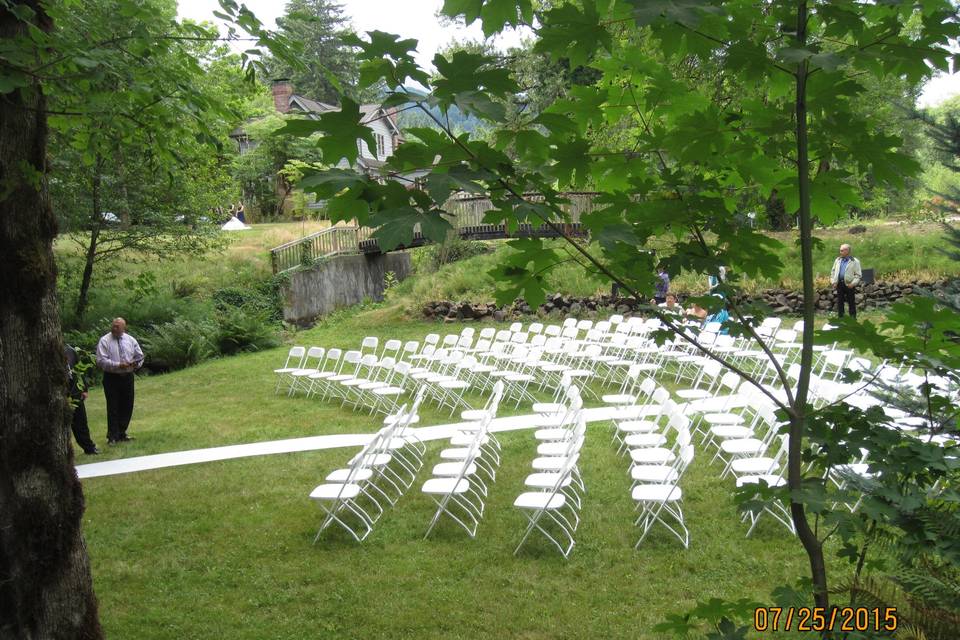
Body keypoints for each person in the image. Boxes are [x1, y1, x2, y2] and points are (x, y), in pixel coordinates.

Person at [96, 317, 144, 445]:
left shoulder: (130, 340)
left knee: (127, 405)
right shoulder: (105, 340)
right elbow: (101, 361)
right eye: (113, 325)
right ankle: (112, 436)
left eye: (118, 326)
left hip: (127, 377)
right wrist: (118, 365)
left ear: (124, 328)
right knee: (113, 406)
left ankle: (122, 432)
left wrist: (136, 365)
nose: (114, 328)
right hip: (112, 377)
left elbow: (140, 356)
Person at [64, 345, 98, 455]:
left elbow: (79, 371)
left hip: (75, 391)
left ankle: (89, 447)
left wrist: (84, 388)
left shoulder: (70, 350)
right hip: (60, 393)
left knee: (81, 421)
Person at [830, 243, 862, 319]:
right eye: (840, 250)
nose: (840, 252)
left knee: (851, 302)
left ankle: (853, 319)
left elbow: (858, 275)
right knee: (840, 303)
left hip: (849, 285)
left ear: (847, 251)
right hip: (839, 284)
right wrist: (833, 281)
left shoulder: (855, 261)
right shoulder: (837, 260)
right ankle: (841, 319)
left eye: (842, 251)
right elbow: (833, 272)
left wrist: (853, 284)